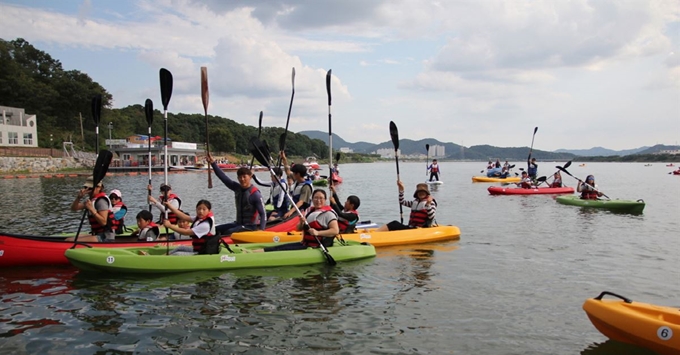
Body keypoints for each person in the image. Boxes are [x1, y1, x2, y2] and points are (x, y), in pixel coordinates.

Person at [255, 189, 339, 252]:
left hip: (317, 246)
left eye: (321, 198)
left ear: (325, 200)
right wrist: (302, 222)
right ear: (312, 199)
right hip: (305, 243)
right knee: (280, 247)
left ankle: (259, 252)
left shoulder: (328, 214)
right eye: (316, 198)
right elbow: (298, 228)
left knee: (280, 249)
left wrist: (318, 233)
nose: (318, 201)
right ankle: (258, 251)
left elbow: (335, 230)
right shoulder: (309, 210)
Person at [208, 154, 266, 235]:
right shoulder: (237, 188)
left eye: (244, 177)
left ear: (250, 177)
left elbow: (263, 213)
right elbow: (223, 177)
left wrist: (261, 230)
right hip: (238, 224)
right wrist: (213, 163)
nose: (242, 179)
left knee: (229, 232)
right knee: (215, 229)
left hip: (250, 227)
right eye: (240, 177)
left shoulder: (255, 194)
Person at [68, 176, 115, 242]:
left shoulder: (101, 201)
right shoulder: (92, 200)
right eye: (86, 188)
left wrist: (92, 209)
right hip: (96, 234)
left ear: (98, 188)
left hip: (105, 236)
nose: (88, 190)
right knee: (68, 239)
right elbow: (74, 208)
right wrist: (78, 198)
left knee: (70, 241)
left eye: (90, 188)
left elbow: (104, 222)